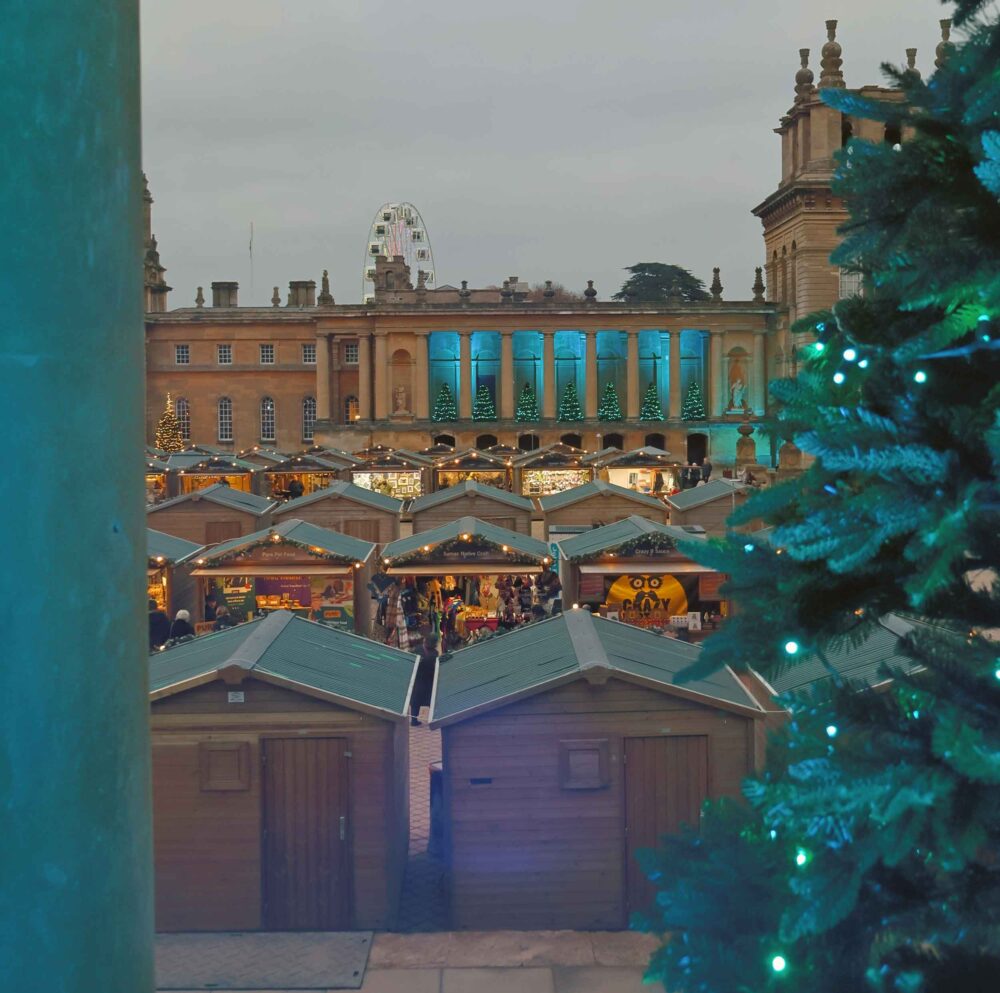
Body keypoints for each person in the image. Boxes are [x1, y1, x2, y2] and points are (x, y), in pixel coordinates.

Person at [410, 634, 439, 726]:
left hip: (418, 679)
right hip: (429, 680)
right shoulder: (435, 653)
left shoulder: (417, 649)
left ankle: (414, 720)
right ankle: (433, 719)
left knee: (416, 700)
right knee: (431, 700)